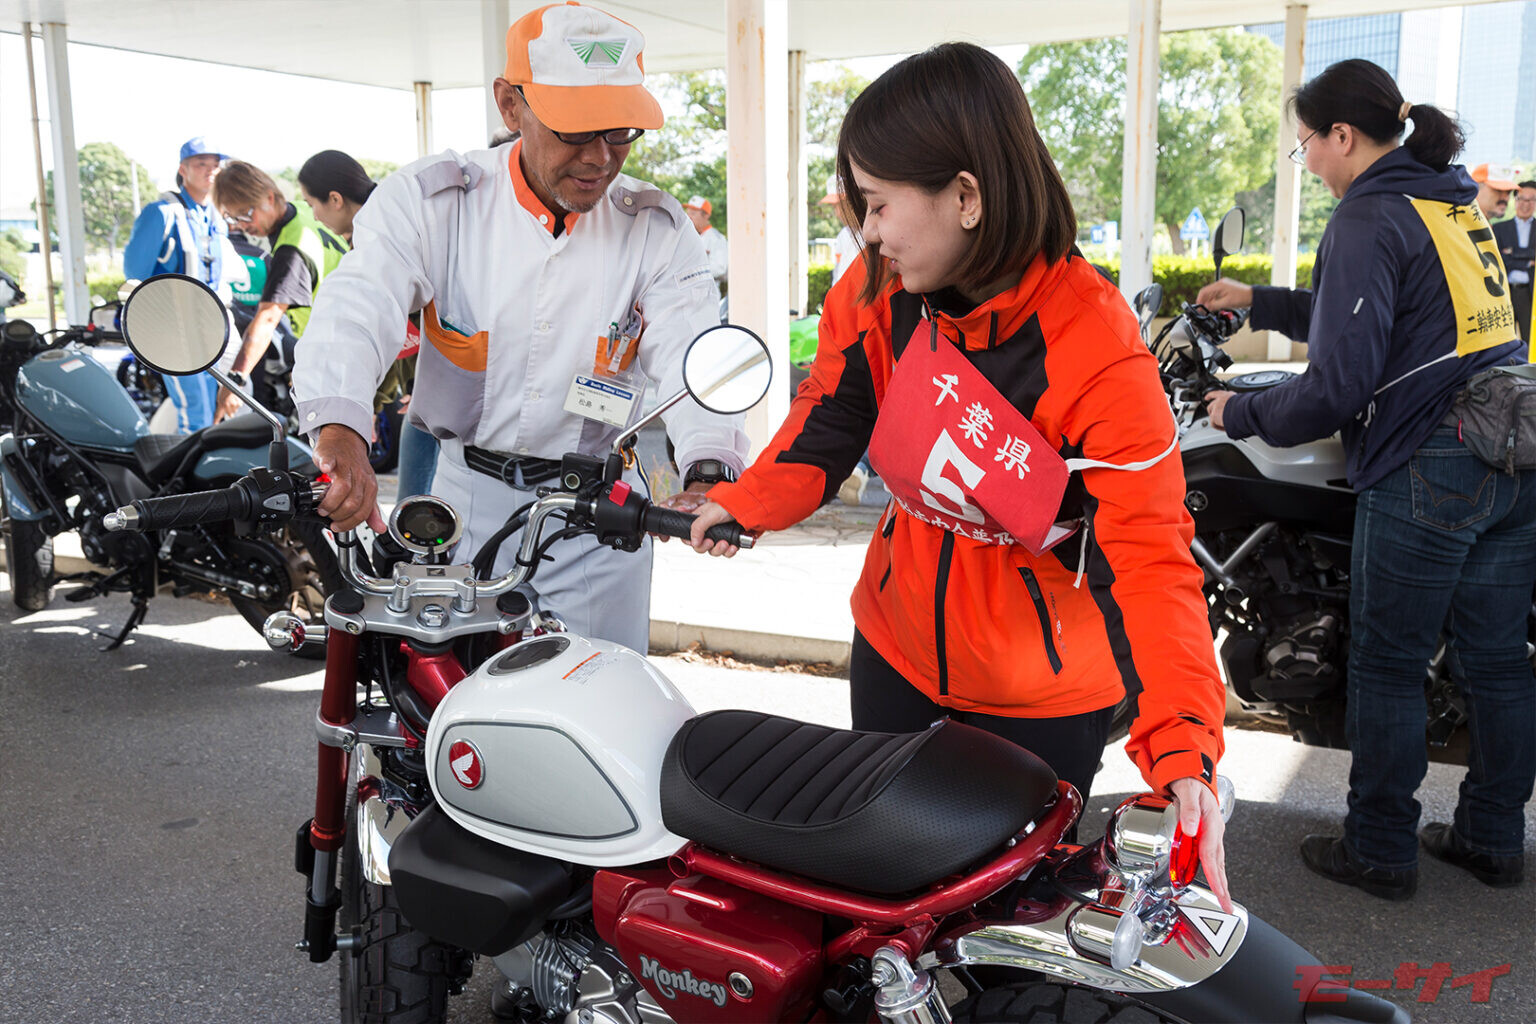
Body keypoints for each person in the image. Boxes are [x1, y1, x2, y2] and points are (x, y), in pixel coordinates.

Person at [683, 42, 1231, 907]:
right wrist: (743, 503)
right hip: (894, 652)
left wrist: (1184, 756)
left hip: (1041, 700)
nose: (869, 233)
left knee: (1005, 923)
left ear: (967, 197)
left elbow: (1153, 562)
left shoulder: (1097, 352)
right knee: (878, 904)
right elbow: (827, 418)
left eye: (879, 205)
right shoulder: (880, 289)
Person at [292, 0, 747, 659]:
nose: (600, 157)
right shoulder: (434, 202)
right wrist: (340, 432)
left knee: (599, 700)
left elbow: (691, 353)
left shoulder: (655, 227)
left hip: (599, 520)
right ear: (511, 105)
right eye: (575, 130)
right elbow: (357, 309)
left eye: (620, 131)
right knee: (449, 703)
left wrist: (707, 465)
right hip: (462, 511)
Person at [1198, 59, 1533, 898]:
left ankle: (1379, 851)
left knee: (1388, 664)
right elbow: (1391, 317)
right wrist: (1260, 300)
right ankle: (1493, 839)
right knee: (1497, 665)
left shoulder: (1367, 213)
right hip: (1512, 445)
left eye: (1307, 143)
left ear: (1342, 136)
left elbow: (1337, 387)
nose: (1309, 160)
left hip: (1432, 455)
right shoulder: (1446, 199)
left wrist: (1238, 412)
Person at [298, 149, 439, 501]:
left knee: (413, 510)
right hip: (427, 401)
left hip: (439, 405)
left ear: (335, 199)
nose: (314, 216)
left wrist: (433, 385)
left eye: (312, 204)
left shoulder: (388, 239)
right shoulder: (377, 235)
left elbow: (400, 330)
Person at [211, 161, 347, 422]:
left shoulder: (292, 250)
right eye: (234, 218)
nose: (242, 225)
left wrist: (234, 381)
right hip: (345, 343)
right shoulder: (303, 211)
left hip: (337, 353)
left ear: (269, 198)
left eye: (246, 213)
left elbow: (268, 318)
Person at [122, 137, 240, 432]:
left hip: (211, 325)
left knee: (215, 408)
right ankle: (193, 463)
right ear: (183, 170)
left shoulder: (216, 217)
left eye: (215, 165)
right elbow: (134, 276)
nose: (210, 170)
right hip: (174, 329)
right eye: (201, 164)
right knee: (195, 410)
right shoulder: (161, 213)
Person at [1494, 179, 1536, 340]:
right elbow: (1498, 260)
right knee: (1503, 341)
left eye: (1531, 199)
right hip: (1504, 292)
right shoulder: (1499, 228)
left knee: (1530, 340)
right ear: (1515, 200)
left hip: (1530, 293)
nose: (1526, 204)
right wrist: (1529, 261)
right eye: (1522, 199)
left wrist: (1512, 253)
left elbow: (1507, 257)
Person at [683, 194, 727, 299]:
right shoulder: (687, 237)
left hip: (707, 297)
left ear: (706, 215)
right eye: (688, 213)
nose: (689, 217)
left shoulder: (716, 238)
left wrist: (692, 272)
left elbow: (720, 268)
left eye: (693, 213)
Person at [822, 174, 860, 286]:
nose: (837, 213)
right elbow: (838, 275)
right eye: (834, 207)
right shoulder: (843, 235)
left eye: (841, 205)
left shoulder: (872, 235)